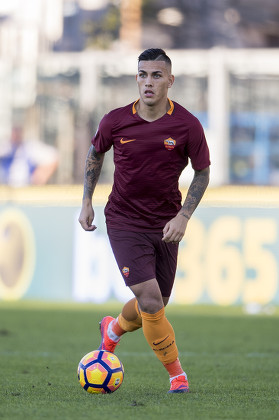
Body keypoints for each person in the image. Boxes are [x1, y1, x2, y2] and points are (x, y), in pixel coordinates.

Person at [79, 48, 210, 393]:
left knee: (156, 303)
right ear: (136, 78)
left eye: (155, 75)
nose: (148, 82)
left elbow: (202, 172)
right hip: (124, 220)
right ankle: (177, 376)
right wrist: (86, 201)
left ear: (170, 80)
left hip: (166, 224)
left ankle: (113, 329)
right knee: (151, 301)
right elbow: (95, 154)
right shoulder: (115, 120)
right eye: (142, 74)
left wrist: (184, 215)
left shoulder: (187, 125)